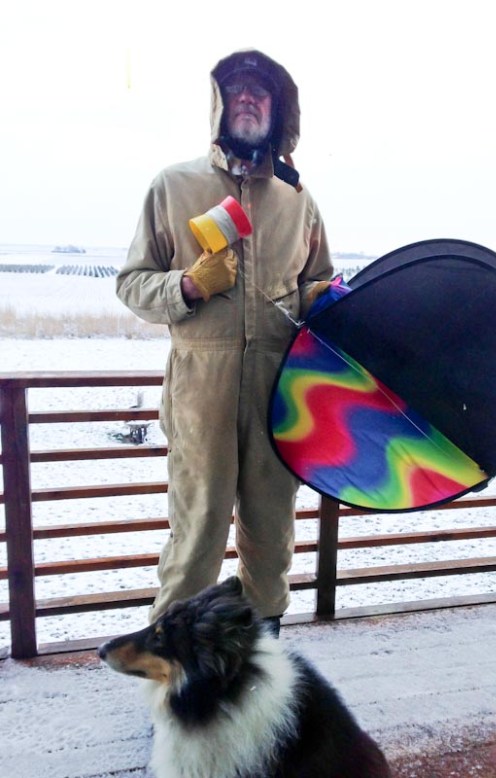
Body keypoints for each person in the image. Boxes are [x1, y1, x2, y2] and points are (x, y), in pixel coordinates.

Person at [116, 49, 333, 632]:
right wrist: (186, 285)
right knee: (198, 532)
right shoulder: (174, 186)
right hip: (200, 393)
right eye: (236, 89)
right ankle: (175, 679)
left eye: (260, 92)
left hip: (277, 394)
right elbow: (131, 284)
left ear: (278, 108)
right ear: (218, 103)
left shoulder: (297, 198)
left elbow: (317, 282)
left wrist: (322, 299)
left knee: (271, 533)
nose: (247, 99)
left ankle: (262, 665)